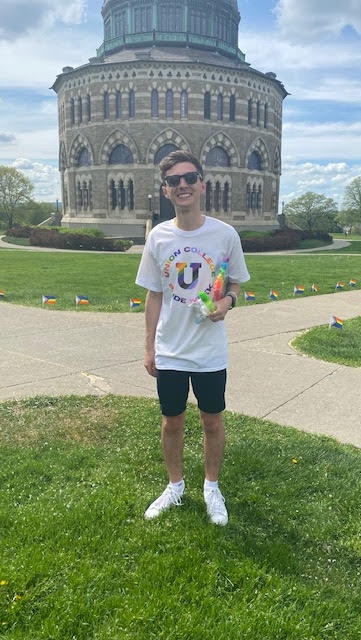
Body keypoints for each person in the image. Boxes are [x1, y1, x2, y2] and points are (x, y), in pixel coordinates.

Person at [135, 150, 250, 526]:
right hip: (171, 348)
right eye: (173, 181)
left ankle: (211, 487)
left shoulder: (225, 235)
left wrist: (228, 302)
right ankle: (175, 486)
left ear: (202, 184)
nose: (182, 185)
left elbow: (236, 285)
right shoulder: (158, 237)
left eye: (189, 178)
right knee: (172, 421)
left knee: (212, 421)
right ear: (166, 190)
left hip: (209, 351)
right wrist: (150, 346)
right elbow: (154, 294)